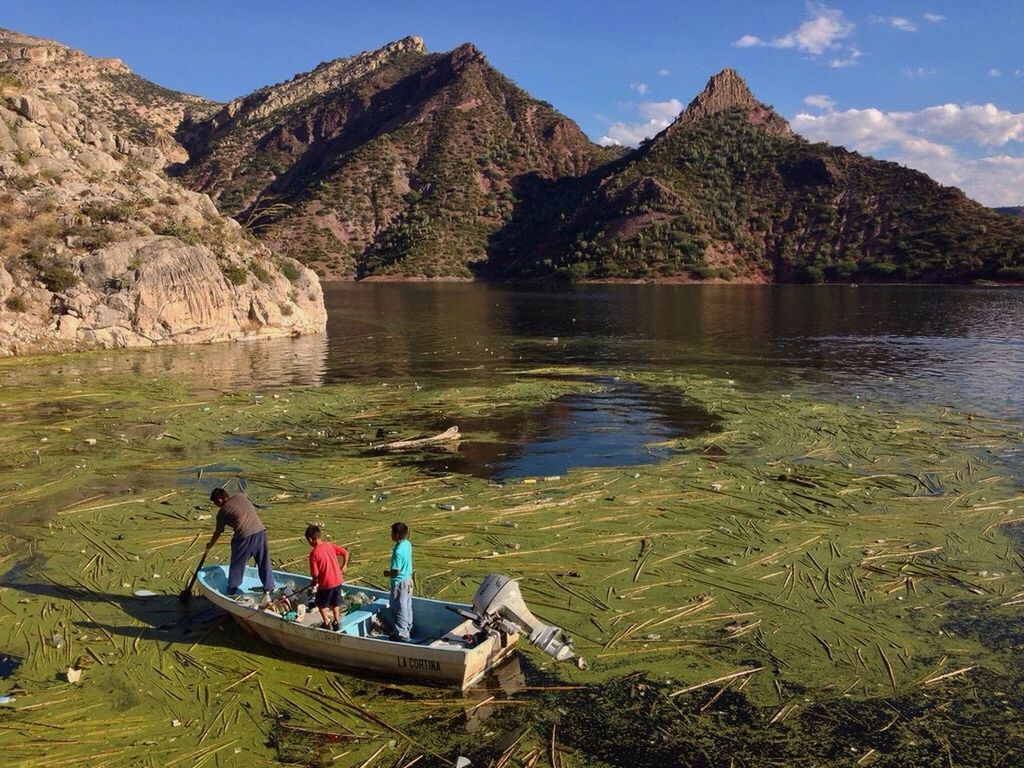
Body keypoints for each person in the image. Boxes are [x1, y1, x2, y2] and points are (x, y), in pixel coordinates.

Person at [206, 487, 274, 597]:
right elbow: (245, 496)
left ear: (219, 501)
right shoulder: (240, 495)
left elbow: (218, 532)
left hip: (244, 537)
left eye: (216, 503)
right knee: (263, 561)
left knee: (237, 564)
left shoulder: (223, 512)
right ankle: (269, 587)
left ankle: (232, 589)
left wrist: (210, 544)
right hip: (260, 532)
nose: (217, 506)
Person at [305, 524, 349, 631]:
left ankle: (326, 622)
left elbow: (315, 573)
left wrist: (314, 581)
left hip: (326, 584)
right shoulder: (330, 545)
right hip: (338, 581)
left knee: (320, 603)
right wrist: (344, 566)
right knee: (335, 602)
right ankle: (336, 621)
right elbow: (345, 552)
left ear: (310, 539)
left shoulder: (314, 554)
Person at [383, 521, 413, 641]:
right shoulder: (408, 544)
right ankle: (408, 627)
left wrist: (387, 573)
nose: (390, 534)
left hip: (400, 583)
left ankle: (402, 634)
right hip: (408, 580)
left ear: (396, 535)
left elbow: (397, 571)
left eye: (392, 532)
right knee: (407, 605)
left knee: (398, 608)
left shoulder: (398, 552)